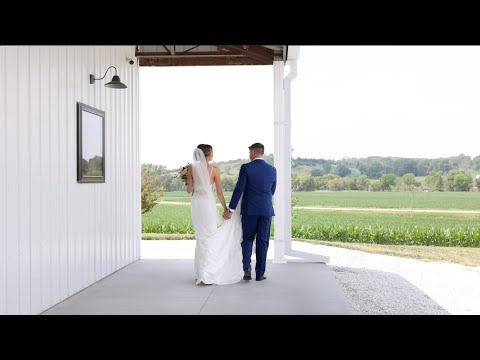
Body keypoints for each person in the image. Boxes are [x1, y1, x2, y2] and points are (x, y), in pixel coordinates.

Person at [186, 144, 243, 285]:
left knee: (201, 237)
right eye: (212, 152)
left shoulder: (191, 169)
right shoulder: (215, 169)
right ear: (208, 154)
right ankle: (209, 273)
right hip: (208, 205)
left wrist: (187, 177)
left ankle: (200, 273)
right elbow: (219, 192)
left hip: (197, 205)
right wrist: (226, 209)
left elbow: (189, 190)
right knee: (210, 235)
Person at [223, 143, 277, 282]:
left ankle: (247, 268)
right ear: (262, 153)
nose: (249, 155)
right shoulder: (272, 170)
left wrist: (231, 209)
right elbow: (272, 190)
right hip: (266, 210)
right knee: (263, 241)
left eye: (249, 153)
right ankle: (260, 274)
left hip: (250, 209)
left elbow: (239, 189)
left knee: (248, 239)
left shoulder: (246, 168)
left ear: (253, 152)